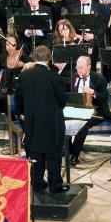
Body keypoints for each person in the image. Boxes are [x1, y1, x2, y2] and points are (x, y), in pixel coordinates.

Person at [16, 45, 68, 194]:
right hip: (52, 123)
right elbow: (63, 101)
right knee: (53, 154)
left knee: (35, 153)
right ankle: (55, 185)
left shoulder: (24, 76)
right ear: (49, 58)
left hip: (32, 123)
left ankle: (37, 183)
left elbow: (18, 100)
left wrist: (23, 113)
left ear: (33, 57)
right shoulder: (54, 76)